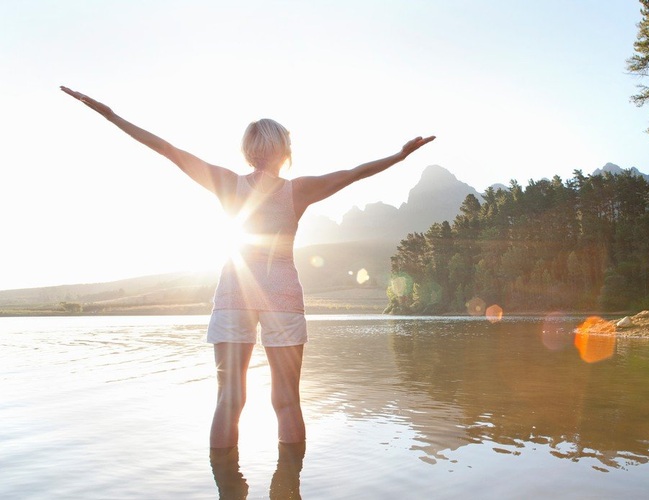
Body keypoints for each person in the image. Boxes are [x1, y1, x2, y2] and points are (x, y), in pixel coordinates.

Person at [61, 86, 434, 451]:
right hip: (283, 298)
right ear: (285, 151)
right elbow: (354, 173)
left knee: (228, 400)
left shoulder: (227, 183)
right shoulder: (298, 190)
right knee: (287, 401)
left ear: (247, 151)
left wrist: (110, 115)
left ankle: (227, 487)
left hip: (234, 295)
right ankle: (290, 488)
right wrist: (399, 156)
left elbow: (168, 150)